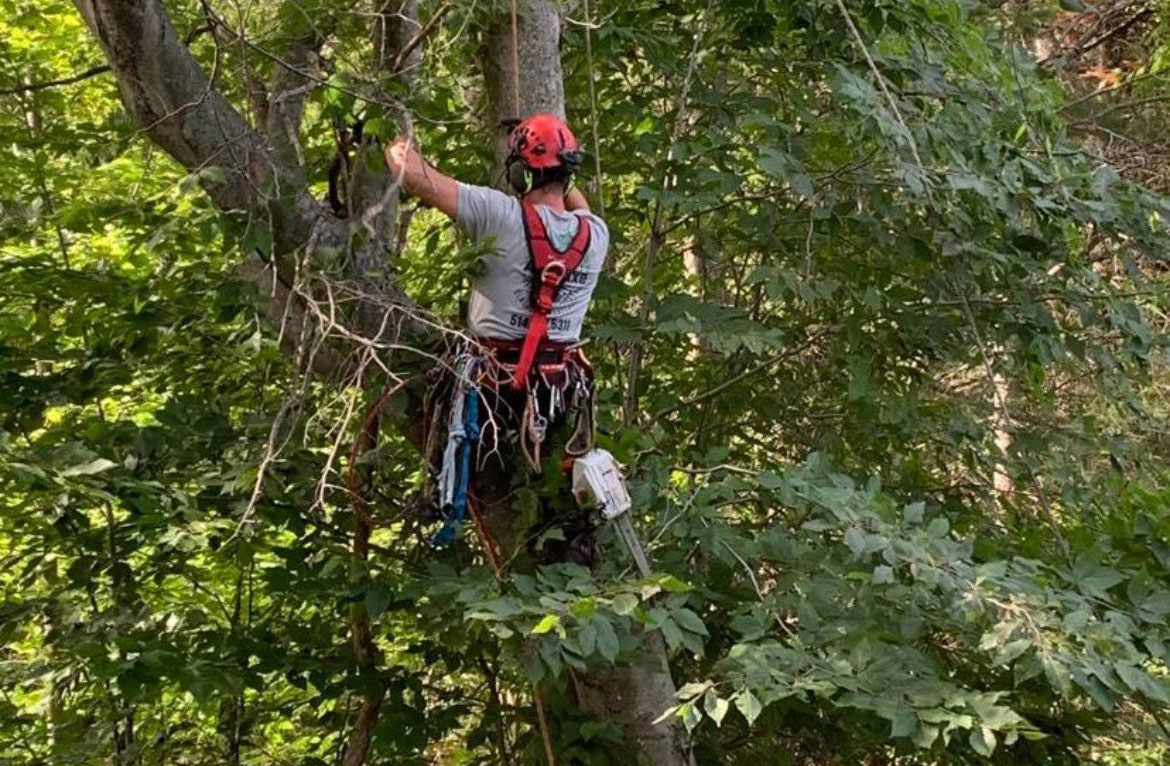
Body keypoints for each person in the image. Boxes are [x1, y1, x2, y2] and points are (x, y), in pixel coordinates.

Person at [385, 115, 609, 561]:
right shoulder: (595, 235)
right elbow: (579, 205)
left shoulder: (498, 214)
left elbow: (410, 171)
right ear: (569, 174)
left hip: (491, 393)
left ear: (520, 174)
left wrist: (392, 133)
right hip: (555, 397)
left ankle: (445, 504)